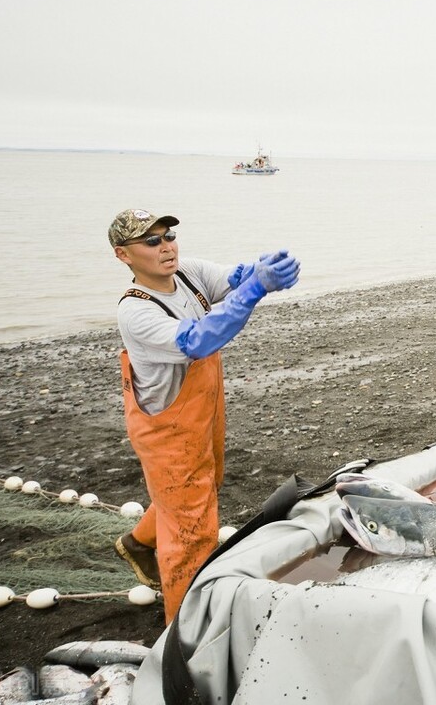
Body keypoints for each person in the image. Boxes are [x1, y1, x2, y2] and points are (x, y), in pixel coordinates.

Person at [107, 208, 300, 623]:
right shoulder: (136, 311)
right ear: (124, 255)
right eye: (152, 241)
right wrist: (254, 291)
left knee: (199, 487)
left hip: (200, 412)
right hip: (165, 428)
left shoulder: (188, 273)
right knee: (192, 530)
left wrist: (263, 268)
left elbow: (233, 276)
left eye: (169, 236)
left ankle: (138, 543)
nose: (166, 247)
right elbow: (198, 340)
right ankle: (186, 628)